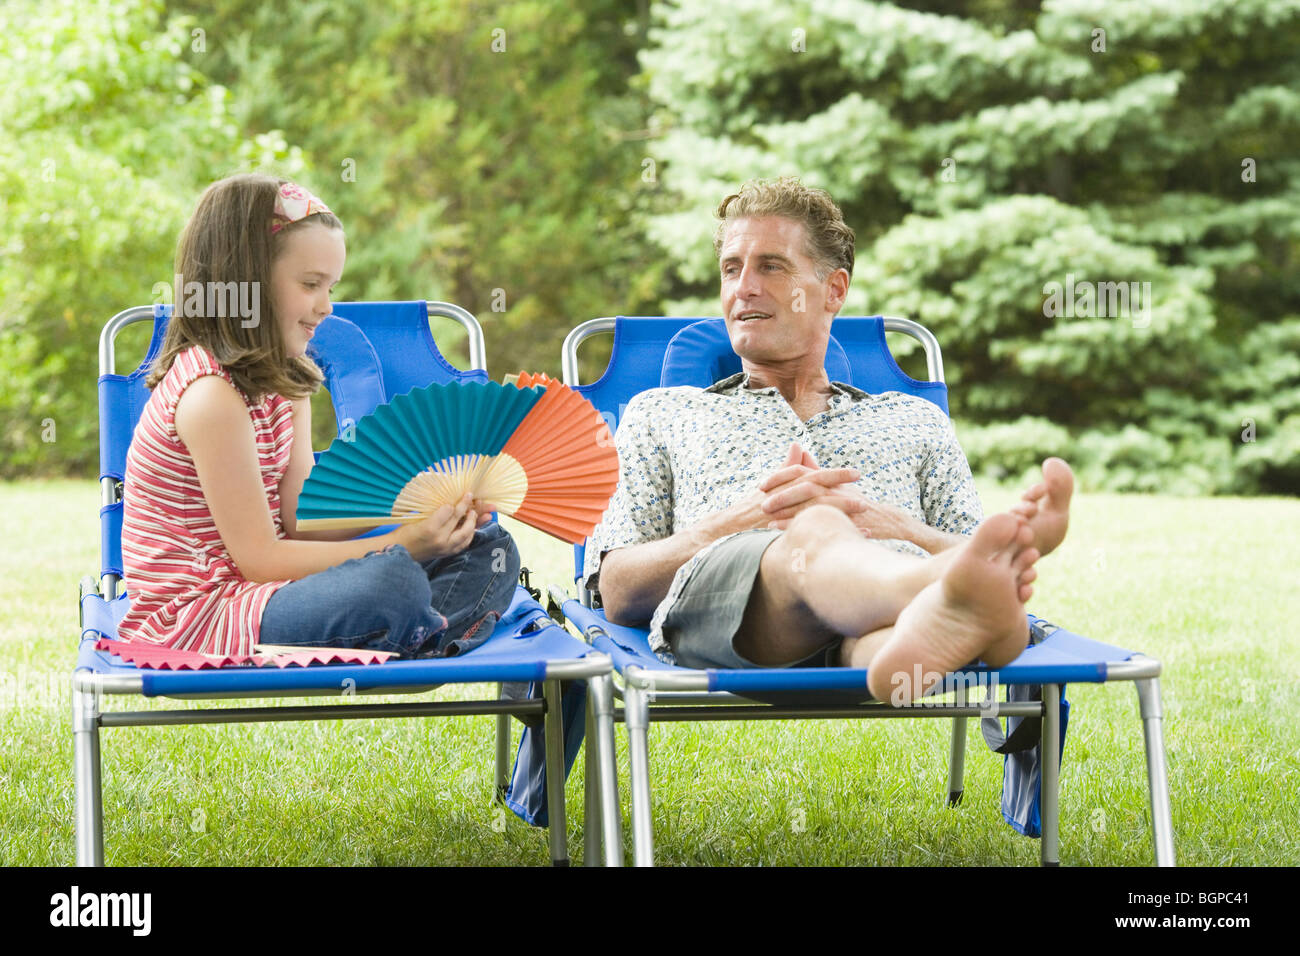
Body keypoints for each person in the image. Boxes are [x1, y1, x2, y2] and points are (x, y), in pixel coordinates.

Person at [582, 177, 1074, 703]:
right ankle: (943, 587)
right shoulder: (664, 413)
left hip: (873, 627)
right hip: (739, 616)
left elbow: (966, 543)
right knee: (816, 526)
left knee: (879, 640)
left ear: (833, 290)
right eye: (731, 269)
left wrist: (900, 527)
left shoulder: (914, 419)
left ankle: (925, 633)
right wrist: (749, 518)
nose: (743, 287)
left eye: (770, 266)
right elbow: (616, 590)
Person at [119, 173, 520, 659]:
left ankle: (410, 633)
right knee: (394, 581)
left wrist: (419, 510)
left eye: (330, 286)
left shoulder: (284, 382)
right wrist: (404, 545)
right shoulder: (209, 397)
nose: (326, 307)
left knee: (487, 547)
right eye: (311, 284)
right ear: (245, 283)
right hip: (205, 615)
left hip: (270, 596)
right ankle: (417, 629)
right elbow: (261, 560)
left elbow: (303, 519)